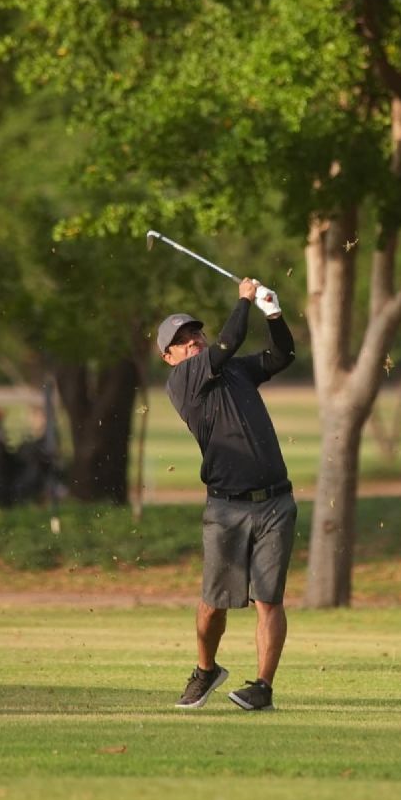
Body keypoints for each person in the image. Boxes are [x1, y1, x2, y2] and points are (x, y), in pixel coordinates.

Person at [158, 276, 296, 712]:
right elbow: (229, 340)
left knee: (269, 599)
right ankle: (206, 670)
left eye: (194, 333)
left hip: (275, 501)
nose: (193, 341)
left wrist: (273, 314)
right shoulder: (183, 381)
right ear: (169, 357)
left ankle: (262, 688)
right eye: (182, 340)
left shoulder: (233, 371)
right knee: (213, 604)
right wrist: (244, 300)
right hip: (225, 507)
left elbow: (282, 355)